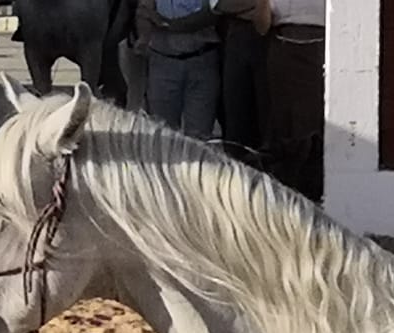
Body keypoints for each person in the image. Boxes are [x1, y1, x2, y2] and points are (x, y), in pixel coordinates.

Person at [255, 0, 323, 201]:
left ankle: (312, 188)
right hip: (284, 49)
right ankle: (286, 189)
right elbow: (261, 27)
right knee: (283, 120)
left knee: (313, 121)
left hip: (320, 49)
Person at [136, 0, 219, 140]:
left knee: (200, 139)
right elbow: (144, 10)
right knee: (162, 135)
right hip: (163, 60)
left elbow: (215, 12)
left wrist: (172, 25)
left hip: (202, 59)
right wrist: (144, 32)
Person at [212, 0, 267, 163]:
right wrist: (262, 5)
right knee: (236, 120)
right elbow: (220, 5)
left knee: (272, 123)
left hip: (276, 38)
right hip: (237, 35)